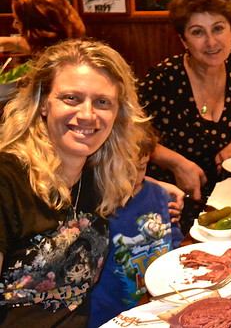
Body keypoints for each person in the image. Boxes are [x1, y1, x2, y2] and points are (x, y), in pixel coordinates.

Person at [0, 38, 147, 326]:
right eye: (71, 98)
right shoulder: (7, 179)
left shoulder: (97, 173)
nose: (87, 115)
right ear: (43, 103)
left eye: (102, 102)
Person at [138, 0, 231, 232]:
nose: (211, 42)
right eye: (198, 32)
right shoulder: (164, 77)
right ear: (183, 39)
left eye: (218, 28)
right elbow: (127, 137)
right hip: (175, 200)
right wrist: (177, 163)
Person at [88, 121, 184, 327]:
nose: (133, 178)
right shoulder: (97, 207)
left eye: (141, 168)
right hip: (112, 315)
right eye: (124, 169)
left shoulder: (159, 194)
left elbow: (174, 244)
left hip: (162, 305)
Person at [0, 0, 85, 55]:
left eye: (17, 20)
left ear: (37, 25)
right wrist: (5, 41)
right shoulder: (66, 48)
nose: (14, 25)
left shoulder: (61, 65)